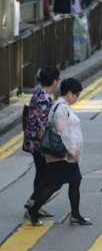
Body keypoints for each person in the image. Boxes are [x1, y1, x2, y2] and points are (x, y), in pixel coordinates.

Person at [26, 78, 92, 226]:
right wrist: (72, 151)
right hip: (63, 154)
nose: (77, 98)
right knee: (54, 185)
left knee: (74, 181)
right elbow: (64, 133)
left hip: (65, 154)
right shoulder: (61, 108)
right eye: (76, 95)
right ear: (69, 94)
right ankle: (34, 209)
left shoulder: (61, 106)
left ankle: (75, 214)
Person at [23, 66, 60, 218]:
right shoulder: (45, 98)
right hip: (39, 142)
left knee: (41, 172)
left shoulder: (38, 93)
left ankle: (38, 205)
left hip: (31, 140)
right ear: (54, 81)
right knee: (47, 174)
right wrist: (45, 147)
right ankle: (33, 202)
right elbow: (40, 124)